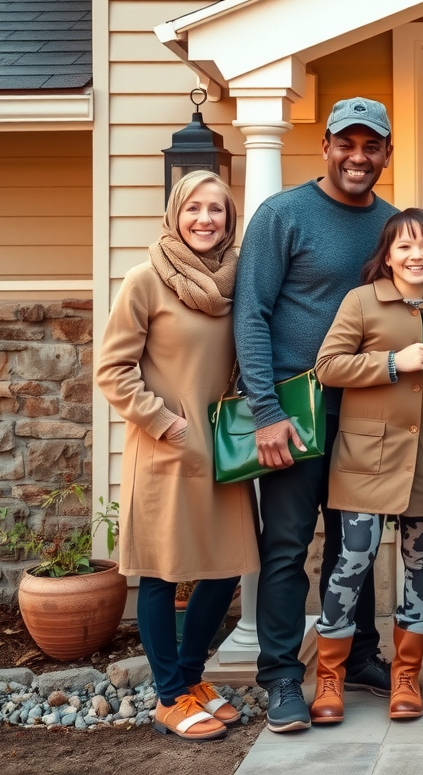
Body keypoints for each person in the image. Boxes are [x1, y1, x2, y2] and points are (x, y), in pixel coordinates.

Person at [233, 97, 398, 733]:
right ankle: (280, 676)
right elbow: (250, 313)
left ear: (386, 152)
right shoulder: (283, 215)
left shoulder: (390, 225)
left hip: (364, 406)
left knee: (354, 541)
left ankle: (356, 655)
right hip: (295, 406)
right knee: (287, 545)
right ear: (325, 146)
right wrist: (266, 410)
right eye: (346, 143)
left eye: (371, 146)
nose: (358, 156)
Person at [96, 170, 259, 741]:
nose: (204, 220)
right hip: (167, 450)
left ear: (229, 219)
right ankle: (168, 696)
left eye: (216, 210)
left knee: (226, 564)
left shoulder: (239, 282)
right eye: (194, 208)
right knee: (162, 575)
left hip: (225, 451)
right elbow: (112, 370)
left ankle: (190, 677)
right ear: (175, 213)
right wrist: (168, 424)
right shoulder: (146, 280)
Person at [310, 208, 423, 723]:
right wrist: (393, 363)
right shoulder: (362, 300)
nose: (416, 256)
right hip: (364, 462)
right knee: (351, 564)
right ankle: (330, 677)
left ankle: (407, 675)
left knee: (420, 566)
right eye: (405, 247)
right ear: (387, 256)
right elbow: (328, 367)